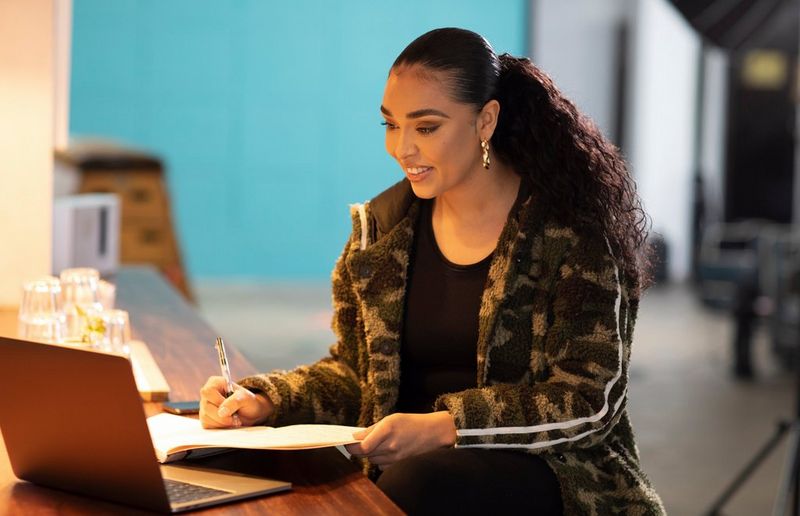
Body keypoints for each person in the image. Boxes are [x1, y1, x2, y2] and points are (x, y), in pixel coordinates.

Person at [199, 27, 664, 514]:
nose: (402, 148)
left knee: (423, 481)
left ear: (485, 121)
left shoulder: (570, 235)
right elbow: (357, 374)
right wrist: (265, 399)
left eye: (425, 128)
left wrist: (446, 428)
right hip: (410, 474)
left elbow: (589, 401)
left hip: (560, 477)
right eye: (390, 125)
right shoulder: (381, 233)